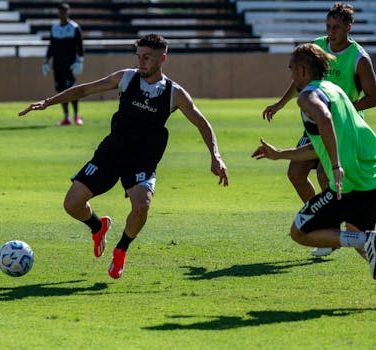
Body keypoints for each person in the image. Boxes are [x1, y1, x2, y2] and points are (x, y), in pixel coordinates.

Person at [19, 34, 229, 279]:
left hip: (143, 159)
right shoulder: (126, 78)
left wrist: (215, 156)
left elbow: (202, 123)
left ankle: (121, 249)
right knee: (71, 204)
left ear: (162, 58)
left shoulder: (175, 93)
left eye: (147, 57)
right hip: (112, 153)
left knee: (141, 207)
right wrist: (47, 102)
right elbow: (86, 89)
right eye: (139, 56)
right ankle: (98, 226)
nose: (141, 62)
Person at [252, 43, 376, 280]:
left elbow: (324, 117)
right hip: (370, 176)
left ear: (301, 71)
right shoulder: (335, 90)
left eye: (291, 69)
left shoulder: (308, 95)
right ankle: (367, 240)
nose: (289, 74)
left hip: (349, 183)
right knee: (362, 241)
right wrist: (279, 154)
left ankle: (367, 238)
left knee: (300, 232)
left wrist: (337, 166)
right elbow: (319, 146)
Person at [42, 3, 84, 126]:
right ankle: (66, 117)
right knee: (60, 90)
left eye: (65, 12)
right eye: (61, 12)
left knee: (71, 89)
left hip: (70, 65)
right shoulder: (54, 28)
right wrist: (46, 60)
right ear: (58, 13)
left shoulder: (74, 27)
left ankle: (76, 115)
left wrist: (80, 61)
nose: (62, 14)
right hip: (57, 65)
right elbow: (51, 46)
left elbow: (80, 46)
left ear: (68, 12)